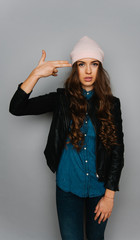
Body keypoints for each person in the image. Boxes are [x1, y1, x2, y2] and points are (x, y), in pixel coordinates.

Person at [9, 36, 124, 240]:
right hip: (67, 186)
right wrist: (35, 75)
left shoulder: (111, 104)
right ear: (75, 68)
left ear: (100, 68)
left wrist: (109, 195)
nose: (88, 71)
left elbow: (117, 150)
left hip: (99, 189)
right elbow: (17, 108)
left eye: (94, 64)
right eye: (82, 64)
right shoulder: (61, 100)